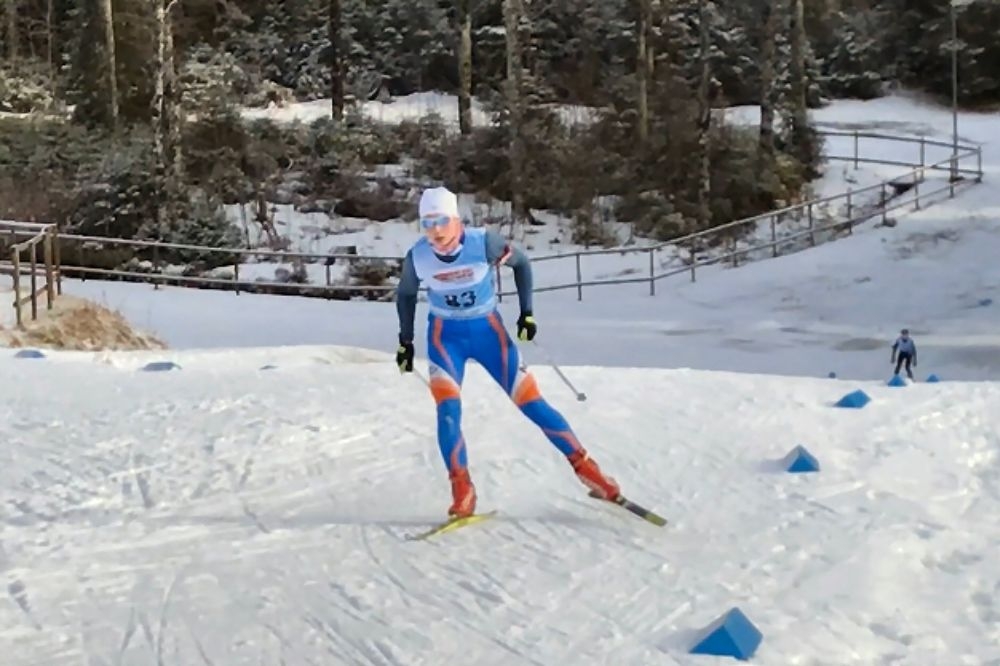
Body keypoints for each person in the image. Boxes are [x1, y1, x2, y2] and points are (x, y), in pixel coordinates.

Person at [394, 186, 620, 518]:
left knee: (532, 404)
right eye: (428, 223)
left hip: (489, 334)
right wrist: (406, 341)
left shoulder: (482, 243)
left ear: (456, 219)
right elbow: (406, 296)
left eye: (442, 220)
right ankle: (462, 489)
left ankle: (589, 471)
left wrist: (526, 313)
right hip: (446, 339)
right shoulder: (418, 256)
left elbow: (522, 264)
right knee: (447, 412)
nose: (436, 231)